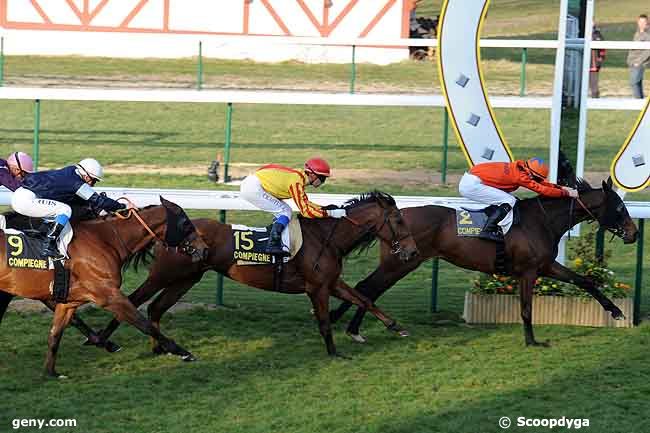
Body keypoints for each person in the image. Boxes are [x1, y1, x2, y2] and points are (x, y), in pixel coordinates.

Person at [11, 158, 128, 259]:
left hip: (23, 195)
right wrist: (122, 206)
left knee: (59, 211)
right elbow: (97, 200)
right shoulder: (75, 182)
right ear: (86, 176)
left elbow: (81, 199)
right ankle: (49, 244)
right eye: (93, 180)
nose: (93, 184)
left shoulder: (72, 171)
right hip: (25, 200)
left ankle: (41, 234)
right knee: (65, 210)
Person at [239, 157, 346, 255]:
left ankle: (275, 238)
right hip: (253, 188)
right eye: (322, 178)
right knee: (285, 212)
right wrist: (330, 213)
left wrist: (323, 208)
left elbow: (306, 204)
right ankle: (272, 245)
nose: (323, 181)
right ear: (313, 175)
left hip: (253, 183)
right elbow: (306, 212)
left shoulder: (298, 178)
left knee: (286, 210)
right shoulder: (296, 182)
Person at [458, 158, 578, 240]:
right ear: (530, 174)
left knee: (509, 199)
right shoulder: (520, 176)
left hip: (473, 179)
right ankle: (488, 230)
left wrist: (560, 187)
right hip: (472, 185)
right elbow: (542, 190)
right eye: (535, 178)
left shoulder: (522, 168)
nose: (536, 180)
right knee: (509, 201)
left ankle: (495, 225)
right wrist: (565, 193)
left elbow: (541, 183)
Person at [627, 14, 650, 99]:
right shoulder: (637, 33)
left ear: (647, 23)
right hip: (632, 62)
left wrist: (638, 62)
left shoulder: (647, 35)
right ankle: (641, 103)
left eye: (644, 22)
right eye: (640, 21)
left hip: (639, 63)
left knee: (633, 82)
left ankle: (638, 102)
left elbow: (648, 51)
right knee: (637, 83)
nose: (641, 23)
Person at [590, 23, 606, 98]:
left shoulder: (597, 34)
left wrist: (600, 58)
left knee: (593, 83)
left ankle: (595, 98)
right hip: (583, 62)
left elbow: (602, 48)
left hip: (594, 63)